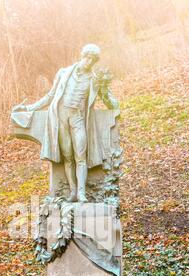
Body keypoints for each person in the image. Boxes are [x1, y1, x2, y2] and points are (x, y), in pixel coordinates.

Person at [13, 44, 119, 202]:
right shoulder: (63, 73)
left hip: (78, 119)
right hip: (60, 118)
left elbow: (113, 105)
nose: (89, 62)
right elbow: (50, 96)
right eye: (87, 57)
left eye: (93, 60)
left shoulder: (94, 80)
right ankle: (73, 192)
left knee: (80, 156)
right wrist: (28, 108)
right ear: (82, 56)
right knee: (68, 157)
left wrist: (104, 90)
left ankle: (82, 193)